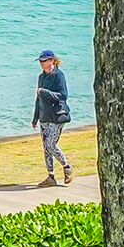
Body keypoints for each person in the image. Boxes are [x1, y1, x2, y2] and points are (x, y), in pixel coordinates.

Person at [33, 51, 74, 186]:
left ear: (52, 61)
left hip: (56, 116)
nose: (42, 63)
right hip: (44, 116)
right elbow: (38, 99)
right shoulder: (41, 77)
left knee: (51, 145)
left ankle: (67, 167)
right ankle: (51, 176)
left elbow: (63, 95)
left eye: (44, 61)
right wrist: (35, 118)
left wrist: (46, 92)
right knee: (46, 148)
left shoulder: (58, 76)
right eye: (40, 61)